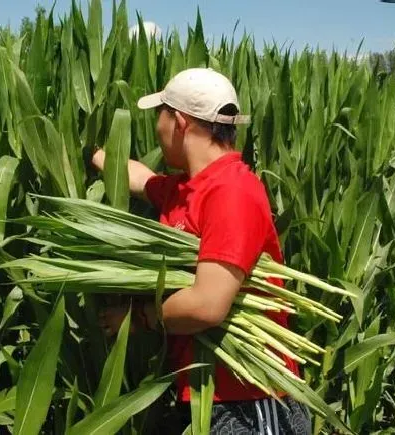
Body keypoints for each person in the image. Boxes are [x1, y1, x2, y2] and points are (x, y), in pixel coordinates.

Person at [88, 67, 311, 434]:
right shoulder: (187, 189)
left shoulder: (232, 192)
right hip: (208, 396)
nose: (155, 129)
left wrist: (136, 316)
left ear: (178, 121)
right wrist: (93, 154)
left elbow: (207, 304)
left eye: (159, 115)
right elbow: (140, 179)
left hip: (251, 400)